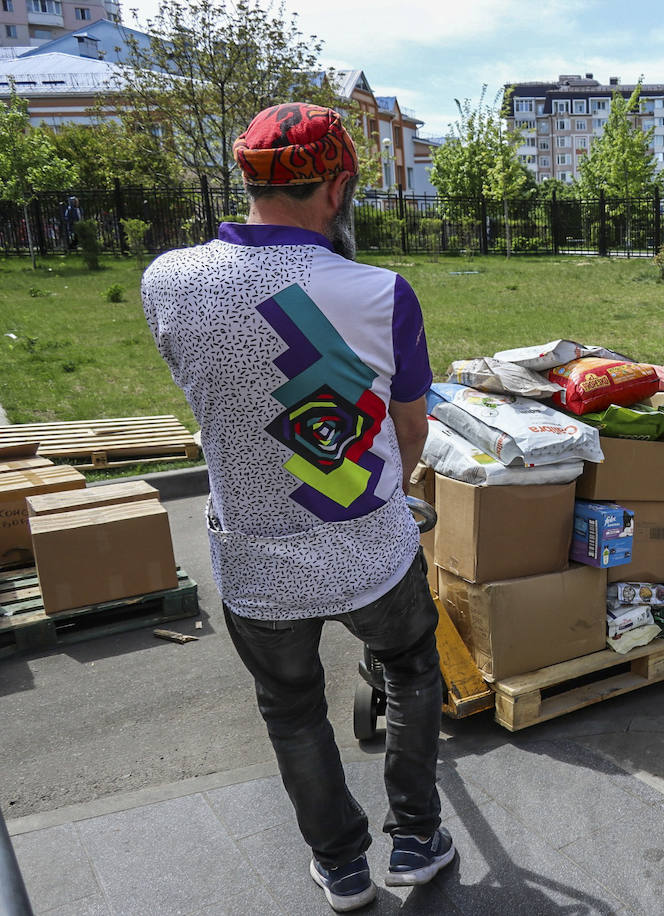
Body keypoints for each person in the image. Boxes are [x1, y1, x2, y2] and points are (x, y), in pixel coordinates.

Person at [141, 103, 453, 912]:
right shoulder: (380, 293)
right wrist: (389, 490)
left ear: (244, 177)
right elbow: (411, 430)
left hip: (253, 557)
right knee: (414, 674)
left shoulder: (167, 281)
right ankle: (416, 840)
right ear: (339, 186)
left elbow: (212, 399)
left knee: (291, 710)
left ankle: (342, 866)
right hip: (368, 549)